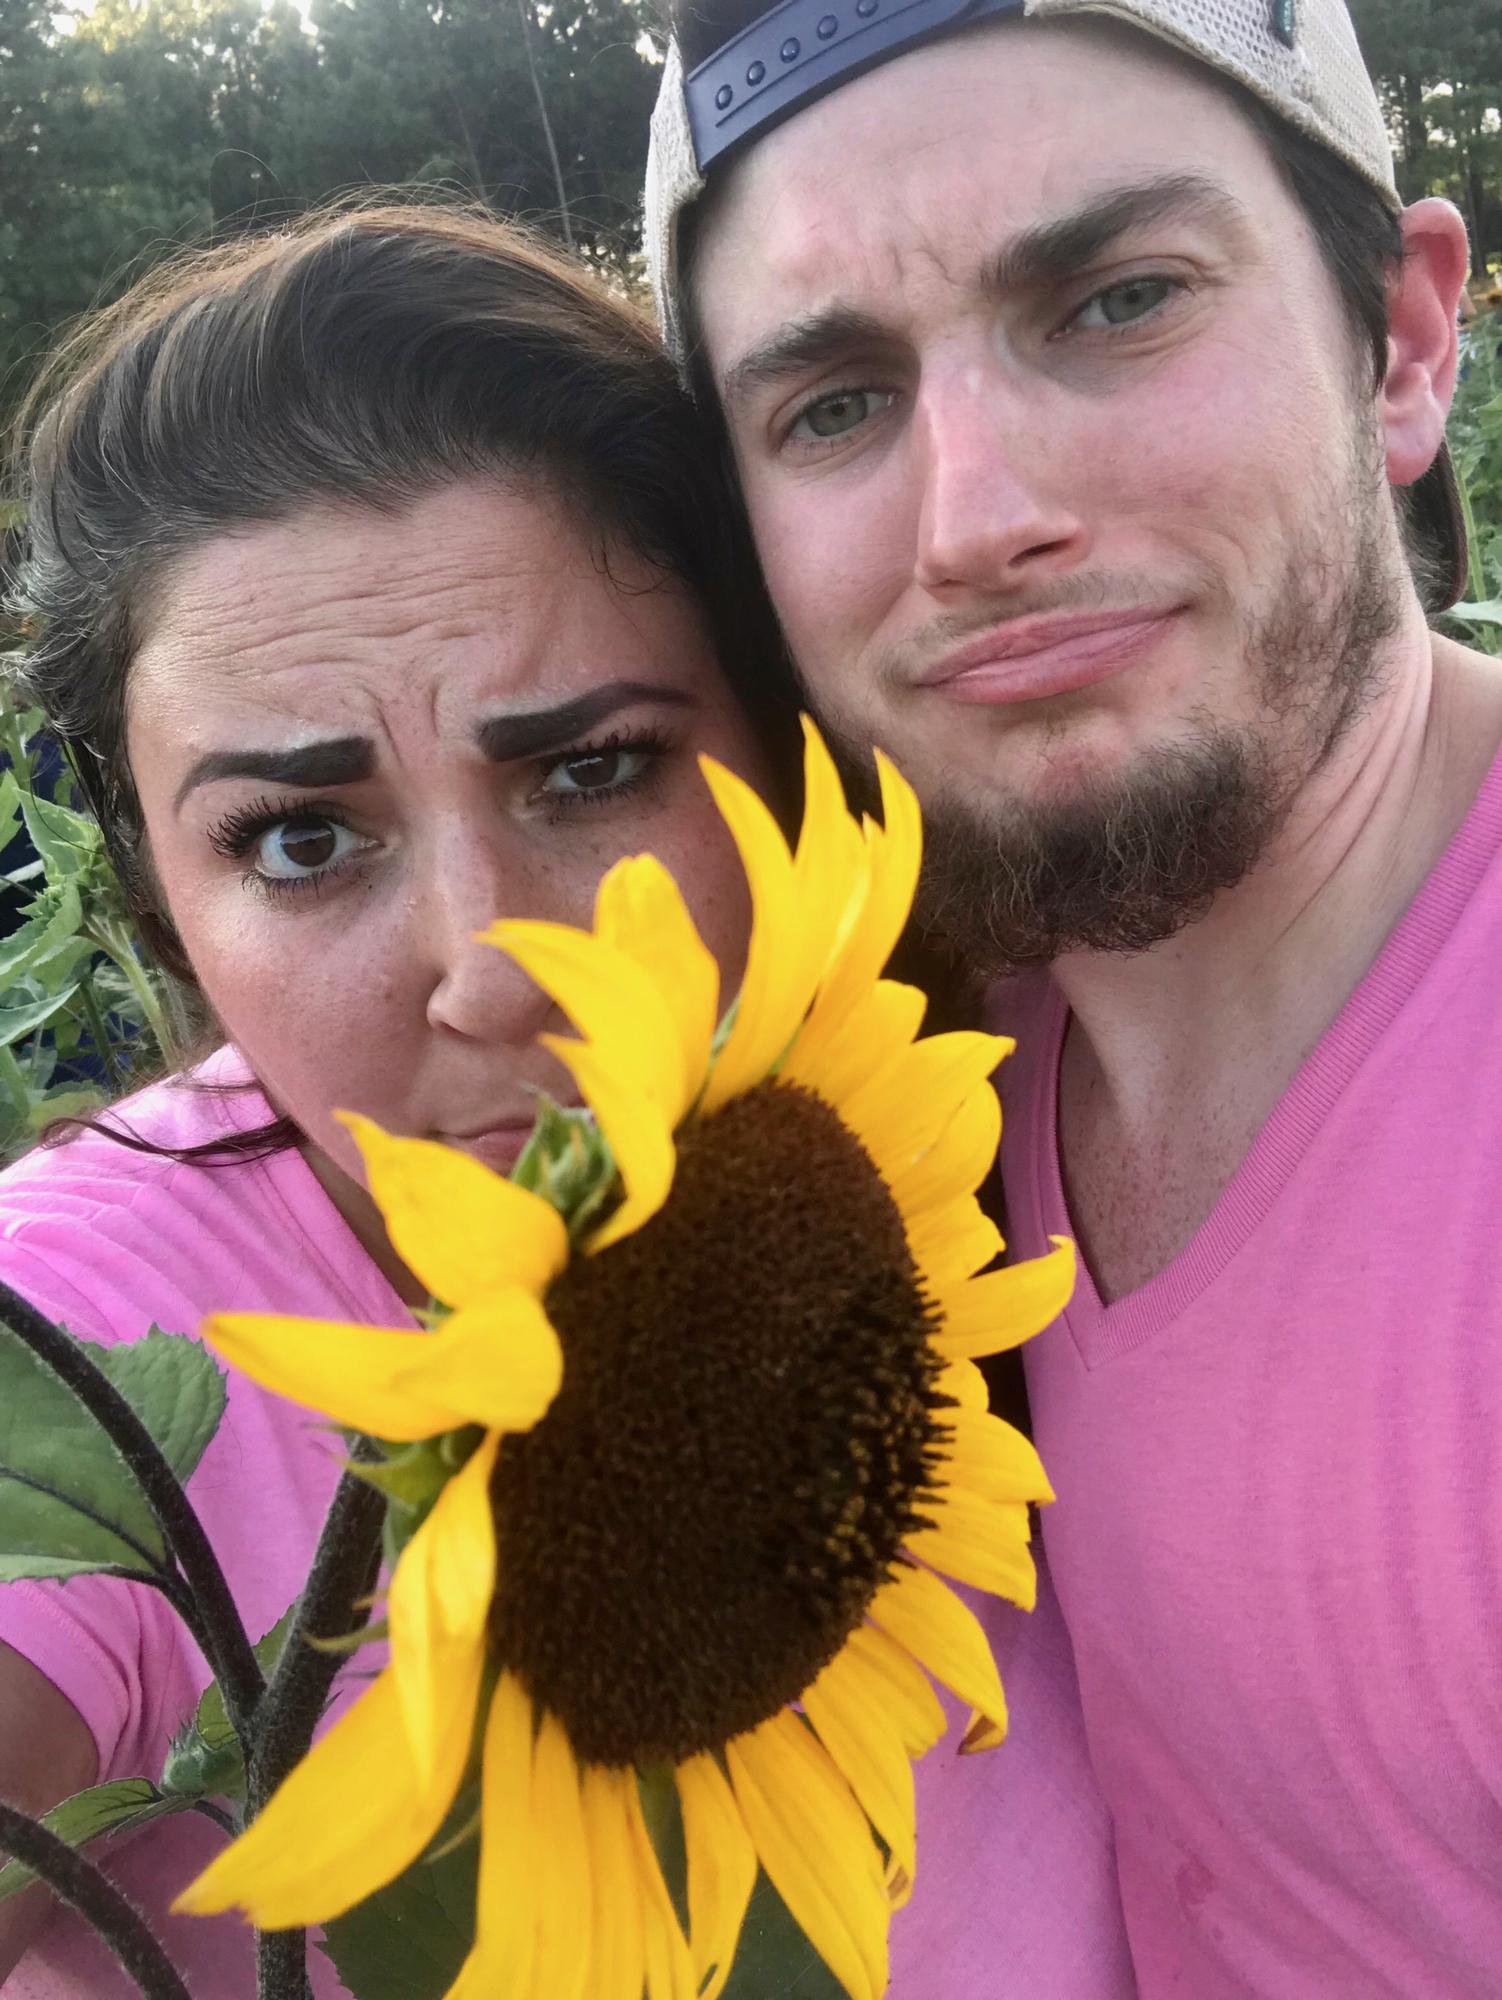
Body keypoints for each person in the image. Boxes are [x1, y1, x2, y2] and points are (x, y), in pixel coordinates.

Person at [0, 205, 1126, 1996]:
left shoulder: (1020, 1092)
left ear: (790, 744)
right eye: (301, 841)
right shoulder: (92, 1344)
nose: (490, 966)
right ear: (161, 908)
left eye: (590, 769)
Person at [646, 1, 1502, 1994]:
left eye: (1116, 301)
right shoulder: (910, 1046)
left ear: (1398, 341)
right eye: (834, 404)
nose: (978, 521)